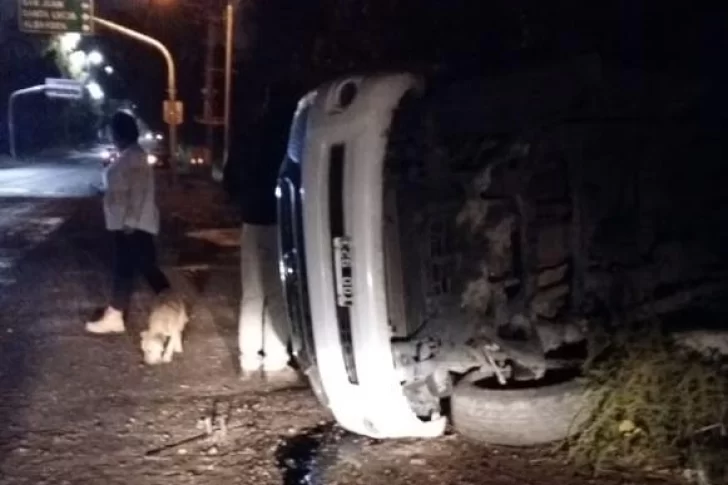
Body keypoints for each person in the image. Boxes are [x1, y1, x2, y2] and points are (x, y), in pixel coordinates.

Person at [86, 110, 171, 334]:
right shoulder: (134, 155)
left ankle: (119, 316)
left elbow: (134, 194)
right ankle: (119, 315)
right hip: (133, 224)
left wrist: (129, 223)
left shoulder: (131, 159)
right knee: (136, 269)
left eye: (112, 132)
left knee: (135, 269)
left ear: (118, 134)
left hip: (130, 226)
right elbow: (124, 191)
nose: (112, 136)